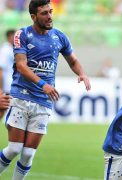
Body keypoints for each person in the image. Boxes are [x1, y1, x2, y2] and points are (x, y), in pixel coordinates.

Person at [0, 0, 91, 179]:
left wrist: (82, 73)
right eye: (44, 13)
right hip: (21, 97)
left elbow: (72, 60)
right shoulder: (23, 34)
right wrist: (44, 84)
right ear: (33, 16)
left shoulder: (60, 37)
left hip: (43, 102)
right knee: (14, 149)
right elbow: (21, 66)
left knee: (28, 154)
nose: (49, 16)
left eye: (50, 12)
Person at [0, 29, 15, 95]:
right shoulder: (5, 49)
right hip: (7, 87)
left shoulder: (13, 48)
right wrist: (0, 88)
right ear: (9, 37)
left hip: (14, 86)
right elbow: (1, 69)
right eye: (14, 36)